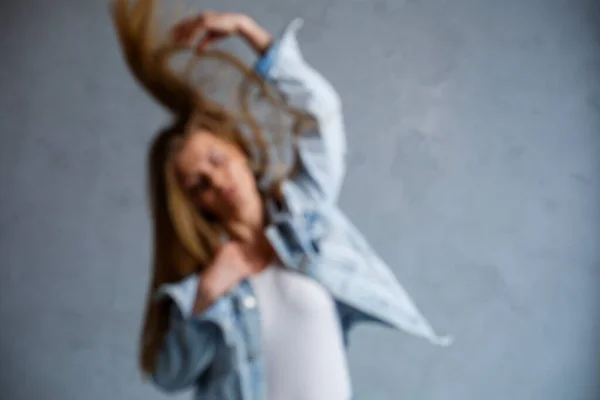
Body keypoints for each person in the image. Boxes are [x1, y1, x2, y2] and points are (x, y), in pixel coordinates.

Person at [111, 1, 451, 399]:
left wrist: (247, 31)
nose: (216, 180)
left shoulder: (305, 217)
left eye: (217, 160)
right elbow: (168, 377)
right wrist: (205, 299)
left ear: (238, 149)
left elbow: (320, 113)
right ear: (194, 204)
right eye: (198, 184)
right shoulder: (204, 282)